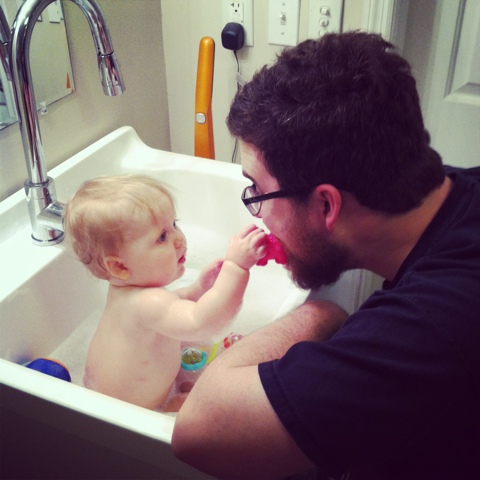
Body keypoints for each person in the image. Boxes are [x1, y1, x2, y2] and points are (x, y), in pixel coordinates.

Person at [171, 32, 480, 479]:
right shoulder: (458, 194)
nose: (258, 213)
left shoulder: (430, 332)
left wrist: (323, 314)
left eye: (257, 191)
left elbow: (196, 431)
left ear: (326, 205)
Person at [63, 174, 267, 411]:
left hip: (106, 399)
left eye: (174, 225)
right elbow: (204, 322)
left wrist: (198, 289)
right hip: (135, 414)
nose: (179, 239)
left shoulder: (125, 292)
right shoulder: (148, 301)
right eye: (162, 237)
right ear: (119, 267)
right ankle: (172, 405)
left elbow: (170, 306)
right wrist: (236, 267)